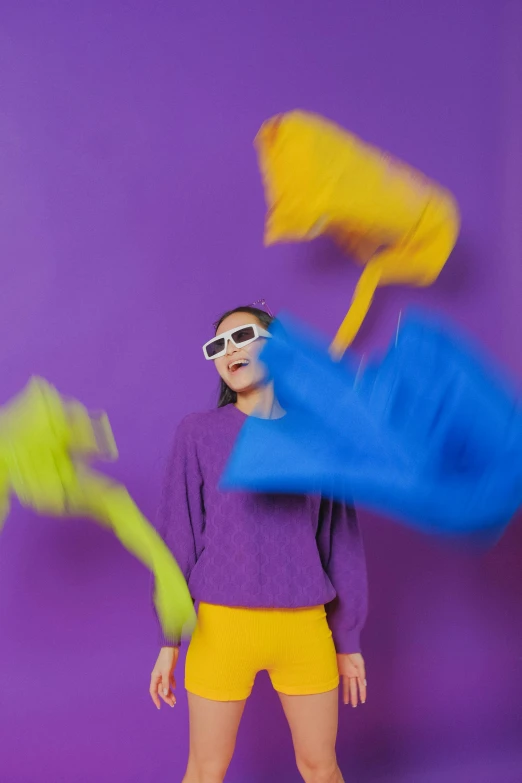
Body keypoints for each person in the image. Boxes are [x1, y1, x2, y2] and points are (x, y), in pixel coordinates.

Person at [149, 303, 368, 783]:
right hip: (221, 630)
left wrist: (347, 639)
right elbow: (177, 537)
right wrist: (169, 640)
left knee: (321, 767)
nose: (229, 351)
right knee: (205, 771)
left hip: (304, 628)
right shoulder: (198, 433)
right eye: (217, 346)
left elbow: (339, 540)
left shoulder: (316, 437)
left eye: (242, 336)